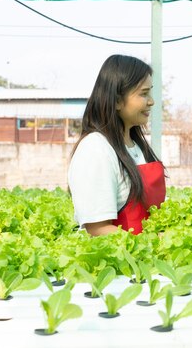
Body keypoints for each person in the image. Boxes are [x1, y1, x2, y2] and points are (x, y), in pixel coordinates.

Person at [68, 55, 165, 236]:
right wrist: (151, 243)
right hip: (115, 262)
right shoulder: (95, 149)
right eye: (144, 94)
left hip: (146, 260)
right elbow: (97, 229)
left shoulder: (137, 147)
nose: (151, 101)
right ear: (118, 100)